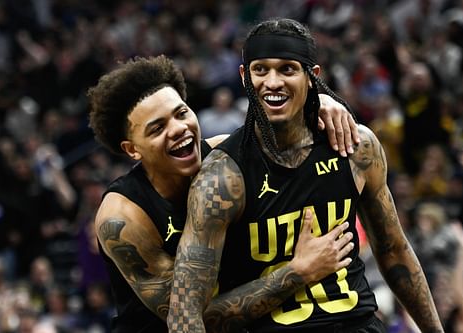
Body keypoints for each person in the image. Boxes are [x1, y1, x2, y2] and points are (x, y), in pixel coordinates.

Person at [167, 18, 444, 333]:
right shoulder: (221, 178)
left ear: (312, 77)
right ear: (244, 77)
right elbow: (188, 316)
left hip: (360, 323)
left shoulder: (356, 147)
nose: (272, 82)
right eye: (260, 70)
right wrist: (296, 274)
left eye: (287, 69)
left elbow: (394, 250)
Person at [87, 54, 360, 332]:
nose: (179, 129)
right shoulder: (123, 218)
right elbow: (194, 319)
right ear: (132, 149)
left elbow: (284, 128)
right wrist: (297, 272)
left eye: (181, 113)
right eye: (158, 128)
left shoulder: (226, 158)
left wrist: (318, 103)